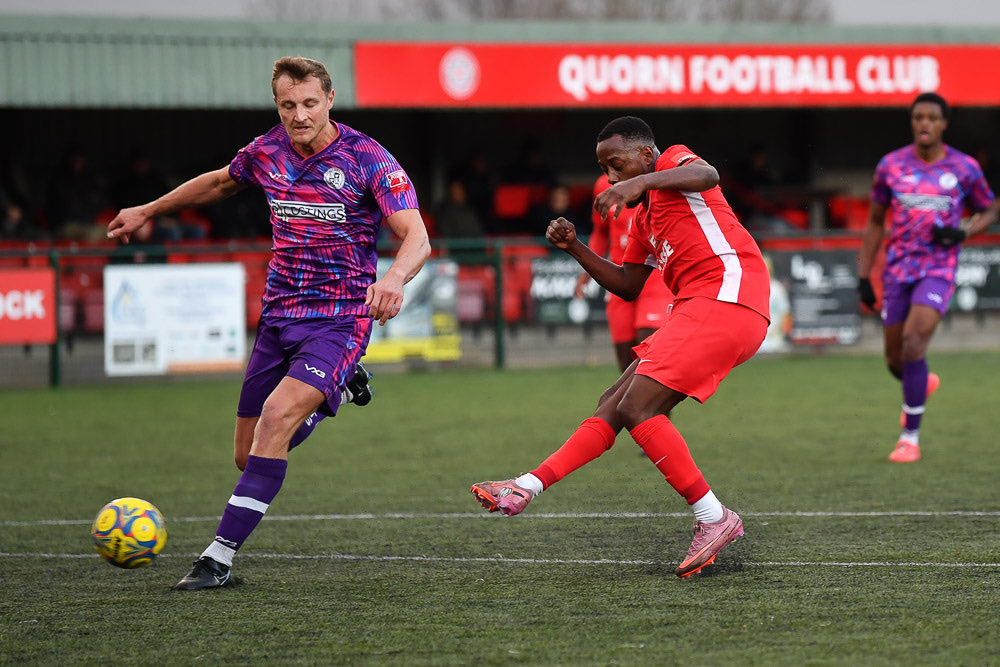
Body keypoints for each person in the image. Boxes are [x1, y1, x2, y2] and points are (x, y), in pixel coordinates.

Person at [107, 56, 431, 589]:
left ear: (330, 100)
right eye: (288, 105)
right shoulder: (267, 151)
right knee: (248, 454)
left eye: (309, 104)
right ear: (277, 105)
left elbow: (416, 235)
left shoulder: (367, 158)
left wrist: (394, 277)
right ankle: (340, 390)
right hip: (279, 315)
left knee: (276, 419)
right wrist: (148, 210)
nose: (299, 115)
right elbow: (218, 183)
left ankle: (217, 560)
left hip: (339, 319)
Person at [471, 116, 770, 578]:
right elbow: (629, 285)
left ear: (647, 155)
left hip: (729, 295)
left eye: (617, 165)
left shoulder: (675, 162)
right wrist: (574, 247)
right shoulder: (644, 219)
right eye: (604, 169)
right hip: (696, 306)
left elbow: (708, 174)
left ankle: (714, 517)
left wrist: (640, 183)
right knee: (613, 402)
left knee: (638, 407)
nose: (611, 177)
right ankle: (527, 485)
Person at [857, 92, 998, 463]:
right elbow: (875, 221)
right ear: (912, 121)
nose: (925, 123)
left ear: (943, 124)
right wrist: (863, 276)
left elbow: (990, 208)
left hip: (937, 268)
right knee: (895, 360)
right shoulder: (891, 166)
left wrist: (964, 232)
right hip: (897, 270)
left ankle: (910, 438)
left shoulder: (964, 167)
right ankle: (923, 383)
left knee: (914, 342)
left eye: (932, 118)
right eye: (919, 117)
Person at [575, 174, 674, 372]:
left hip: (654, 278)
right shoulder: (602, 184)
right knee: (625, 364)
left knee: (649, 360)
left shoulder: (657, 180)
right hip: (619, 279)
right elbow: (600, 231)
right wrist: (587, 271)